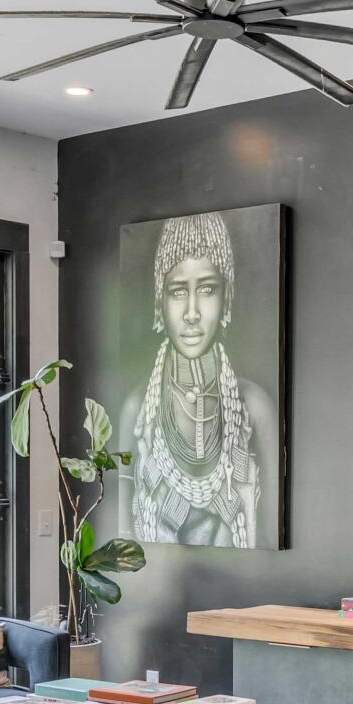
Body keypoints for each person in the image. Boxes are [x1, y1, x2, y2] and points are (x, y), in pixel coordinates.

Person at [119, 210, 277, 547]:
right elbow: (123, 540)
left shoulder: (254, 408)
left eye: (206, 289)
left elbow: (268, 534)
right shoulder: (138, 411)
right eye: (178, 291)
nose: (192, 313)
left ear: (226, 296)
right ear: (160, 301)